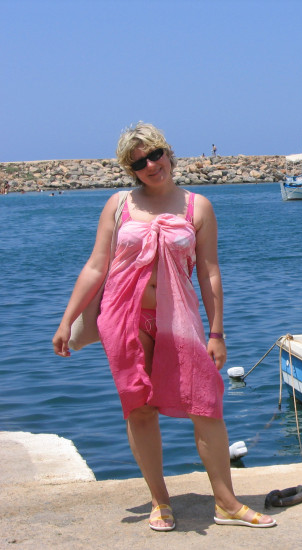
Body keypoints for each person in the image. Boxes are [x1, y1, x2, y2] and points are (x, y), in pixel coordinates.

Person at [52, 122, 275, 532]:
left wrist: (217, 332)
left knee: (205, 403)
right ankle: (159, 500)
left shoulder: (197, 207)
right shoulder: (119, 205)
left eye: (156, 155)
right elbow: (97, 265)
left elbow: (209, 273)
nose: (151, 165)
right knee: (139, 406)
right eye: (140, 162)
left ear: (168, 153)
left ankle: (226, 503)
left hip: (179, 319)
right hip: (124, 316)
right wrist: (67, 320)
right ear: (130, 169)